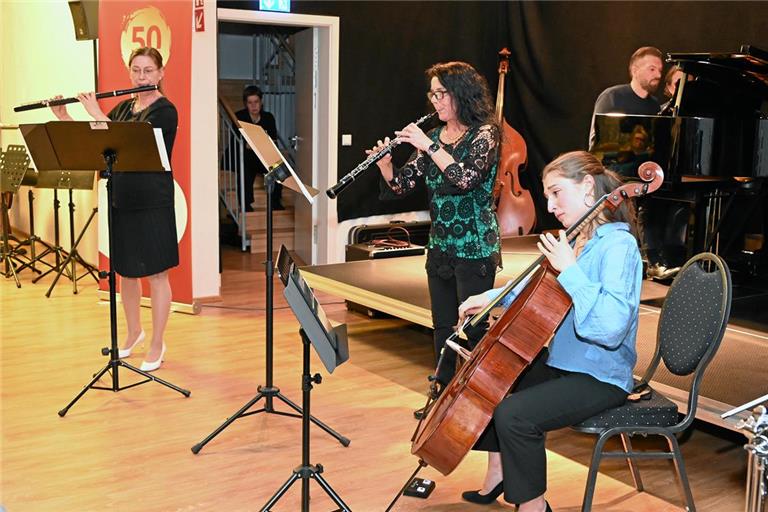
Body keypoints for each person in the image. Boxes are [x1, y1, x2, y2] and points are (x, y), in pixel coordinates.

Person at [456, 151, 642, 511]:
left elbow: (610, 329)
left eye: (557, 193)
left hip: (601, 375)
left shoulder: (619, 247)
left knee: (516, 415)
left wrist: (570, 270)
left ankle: (534, 506)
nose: (551, 206)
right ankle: (498, 472)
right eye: (547, 197)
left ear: (588, 187)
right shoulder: (576, 240)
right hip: (567, 360)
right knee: (493, 381)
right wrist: (490, 297)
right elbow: (537, 288)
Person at [368, 61, 501, 391]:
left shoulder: (485, 134)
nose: (436, 101)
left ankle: (474, 396)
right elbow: (402, 186)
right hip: (441, 246)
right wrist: (386, 166)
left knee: (471, 327)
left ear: (461, 94)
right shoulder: (433, 137)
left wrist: (429, 146)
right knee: (442, 326)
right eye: (433, 94)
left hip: (475, 246)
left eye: (441, 94)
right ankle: (442, 392)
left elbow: (465, 178)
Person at [51, 47, 178, 372]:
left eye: (148, 70)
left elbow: (132, 143)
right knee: (127, 271)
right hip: (122, 197)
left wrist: (96, 112)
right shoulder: (123, 107)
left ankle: (157, 342)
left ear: (161, 73)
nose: (141, 76)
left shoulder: (166, 111)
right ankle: (134, 331)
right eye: (136, 70)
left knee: (157, 273)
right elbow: (101, 145)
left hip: (152, 199)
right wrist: (66, 117)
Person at [588, 46, 663, 148]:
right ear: (635, 70)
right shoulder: (612, 97)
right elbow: (597, 143)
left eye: (660, 70)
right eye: (652, 69)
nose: (658, 75)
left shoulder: (654, 105)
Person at [235, 86, 282, 211]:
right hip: (245, 155)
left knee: (278, 167)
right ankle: (245, 204)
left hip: (263, 155)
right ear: (246, 104)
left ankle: (275, 202)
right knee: (244, 168)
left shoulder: (268, 117)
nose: (253, 106)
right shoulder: (239, 117)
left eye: (256, 102)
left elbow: (272, 140)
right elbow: (240, 143)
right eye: (250, 103)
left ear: (261, 102)